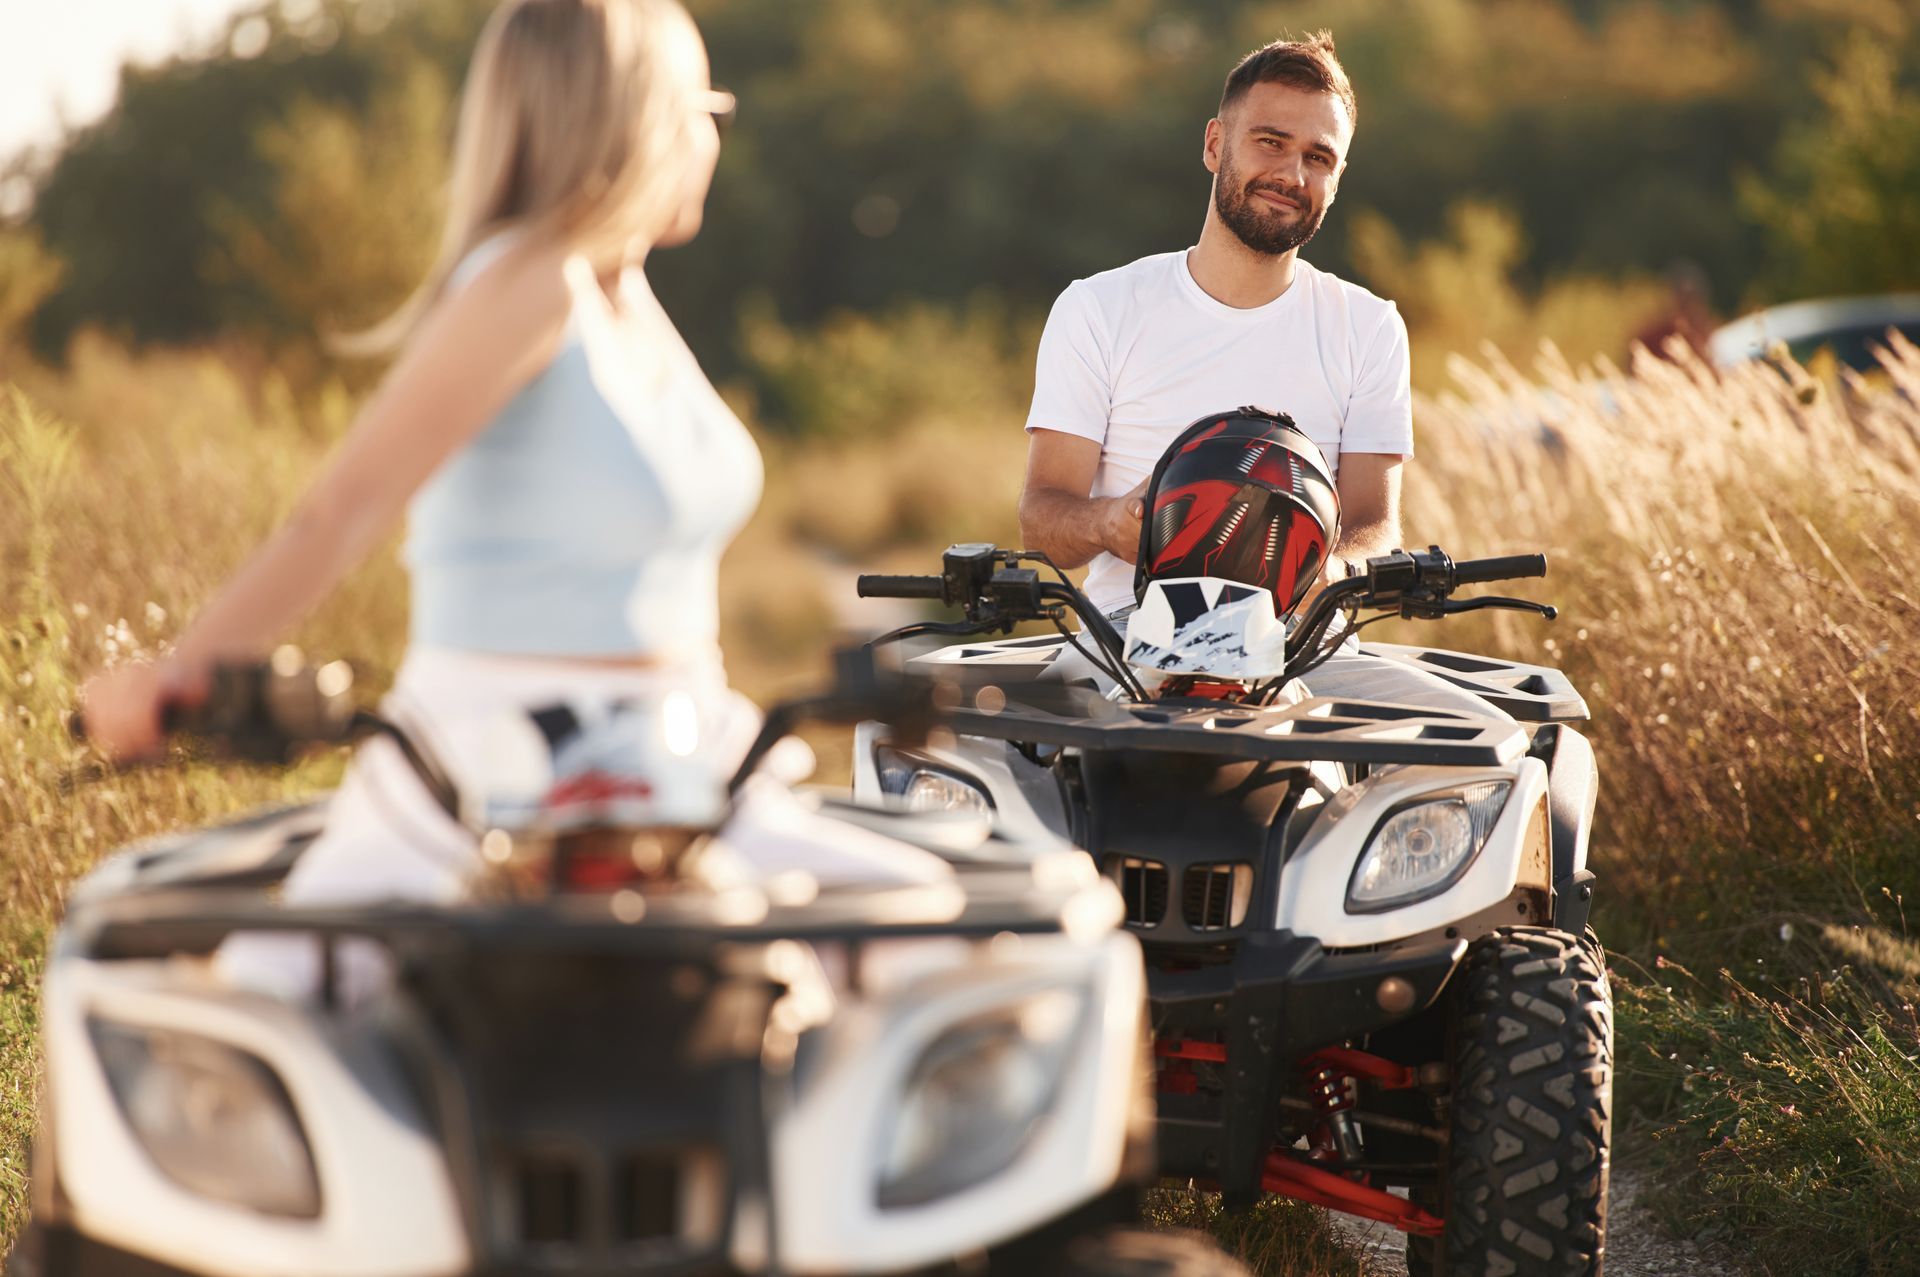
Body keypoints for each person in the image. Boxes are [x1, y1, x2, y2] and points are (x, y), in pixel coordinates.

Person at [80, 0, 943, 998]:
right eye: (705, 105)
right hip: (482, 763)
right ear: (643, 116)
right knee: (250, 1044)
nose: (713, 136)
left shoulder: (627, 295)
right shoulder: (530, 282)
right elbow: (343, 508)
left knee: (945, 957)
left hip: (684, 754)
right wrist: (175, 677)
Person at [1017, 31, 1503, 717]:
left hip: (1306, 650)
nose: (1292, 175)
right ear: (1216, 144)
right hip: (1123, 638)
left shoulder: (1368, 326)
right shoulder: (1098, 308)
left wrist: (1325, 570)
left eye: (1318, 157)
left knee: (1494, 745)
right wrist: (1109, 522)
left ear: (1336, 180)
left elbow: (1372, 523)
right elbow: (1042, 519)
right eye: (1270, 142)